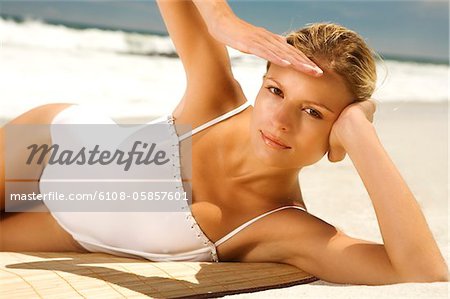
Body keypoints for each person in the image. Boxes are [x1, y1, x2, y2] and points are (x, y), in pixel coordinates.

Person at [0, 0, 448, 285]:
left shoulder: (279, 225)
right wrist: (221, 18)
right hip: (51, 146)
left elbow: (420, 273)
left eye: (315, 113)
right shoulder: (215, 102)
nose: (280, 120)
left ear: (337, 137)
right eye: (275, 91)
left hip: (67, 228)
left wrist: (361, 134)